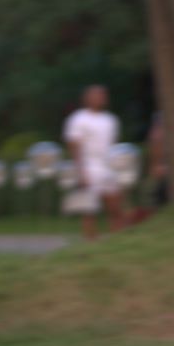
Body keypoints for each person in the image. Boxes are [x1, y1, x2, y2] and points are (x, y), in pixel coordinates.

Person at [63, 84, 127, 239]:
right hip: (89, 166)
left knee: (115, 207)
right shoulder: (78, 119)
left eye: (103, 95)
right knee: (90, 210)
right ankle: (91, 243)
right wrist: (81, 171)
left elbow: (114, 146)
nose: (101, 98)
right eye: (97, 95)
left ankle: (117, 241)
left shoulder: (111, 120)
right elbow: (73, 146)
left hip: (109, 167)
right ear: (87, 98)